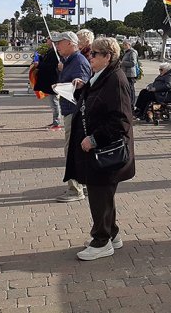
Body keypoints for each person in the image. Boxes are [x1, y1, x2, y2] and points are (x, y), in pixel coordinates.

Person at [64, 37, 135, 261]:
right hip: (97, 150)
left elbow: (121, 120)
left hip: (105, 150)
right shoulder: (102, 76)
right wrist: (81, 88)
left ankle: (101, 240)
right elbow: (94, 101)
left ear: (108, 57)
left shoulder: (115, 79)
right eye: (90, 53)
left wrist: (94, 139)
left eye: (94, 54)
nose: (89, 57)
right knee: (103, 194)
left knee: (99, 194)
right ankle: (112, 234)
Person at [54, 31, 92, 203]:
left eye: (59, 43)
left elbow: (82, 84)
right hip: (71, 110)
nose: (57, 46)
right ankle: (81, 185)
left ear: (70, 43)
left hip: (75, 111)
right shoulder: (71, 60)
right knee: (75, 150)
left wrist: (74, 83)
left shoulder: (78, 61)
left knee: (71, 151)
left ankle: (75, 189)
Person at [34, 36, 62, 130]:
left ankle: (57, 122)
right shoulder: (51, 50)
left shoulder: (55, 52)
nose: (47, 40)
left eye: (49, 39)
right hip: (49, 80)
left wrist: (39, 64)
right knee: (52, 102)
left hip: (53, 80)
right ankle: (55, 121)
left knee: (54, 102)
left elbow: (51, 66)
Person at [120, 40, 138, 109]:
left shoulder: (132, 52)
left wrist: (122, 63)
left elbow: (133, 63)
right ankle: (128, 103)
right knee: (128, 88)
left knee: (131, 88)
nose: (124, 46)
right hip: (126, 73)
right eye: (123, 44)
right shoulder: (126, 52)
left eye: (125, 44)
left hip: (130, 74)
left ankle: (132, 104)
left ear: (129, 45)